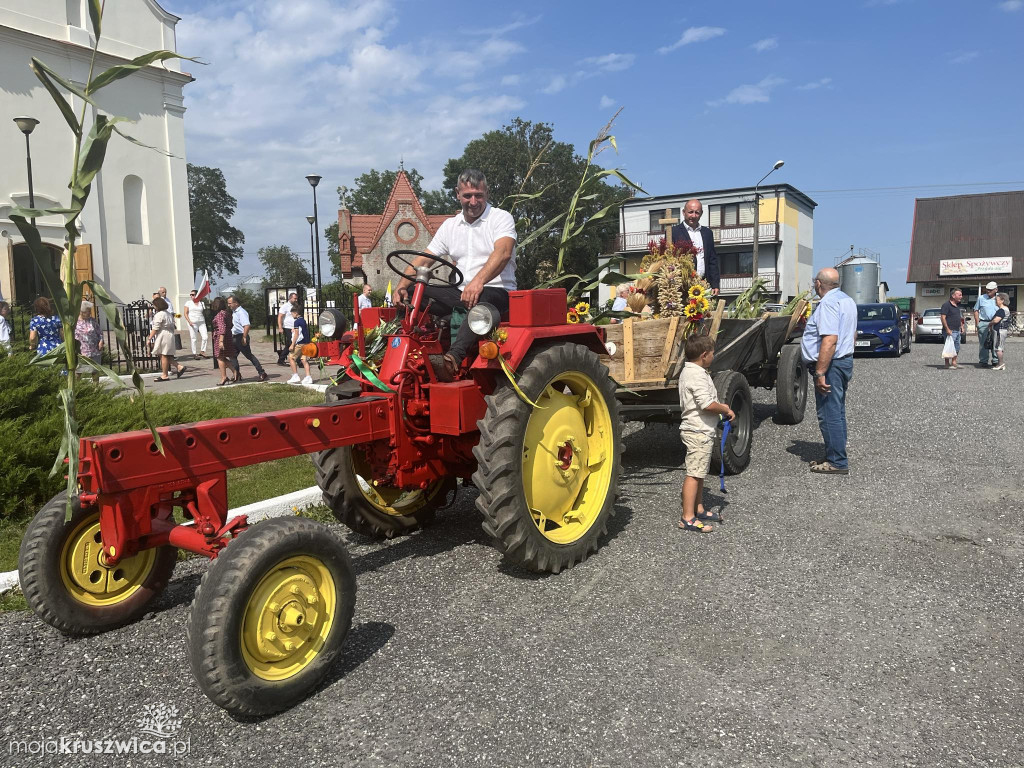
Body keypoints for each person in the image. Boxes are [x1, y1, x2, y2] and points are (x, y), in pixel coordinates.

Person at [392, 169, 517, 379]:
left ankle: (452, 359)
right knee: (413, 293)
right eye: (468, 195)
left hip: (496, 292)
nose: (474, 201)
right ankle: (398, 352)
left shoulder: (500, 218)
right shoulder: (450, 226)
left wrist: (478, 282)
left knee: (482, 298)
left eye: (479, 195)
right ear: (458, 194)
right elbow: (424, 258)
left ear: (486, 193)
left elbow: (503, 252)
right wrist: (401, 286)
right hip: (461, 293)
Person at [677, 334, 735, 533]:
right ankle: (688, 518)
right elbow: (706, 404)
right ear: (704, 355)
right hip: (697, 431)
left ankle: (698, 508)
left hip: (700, 430)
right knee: (694, 474)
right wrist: (725, 409)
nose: (713, 356)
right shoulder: (697, 375)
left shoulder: (692, 371)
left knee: (700, 472)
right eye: (712, 353)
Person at [801, 267, 857, 475]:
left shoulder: (828, 304)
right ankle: (835, 453)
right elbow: (852, 334)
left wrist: (820, 372)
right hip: (843, 361)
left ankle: (837, 461)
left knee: (829, 413)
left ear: (818, 284)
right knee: (837, 411)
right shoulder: (847, 300)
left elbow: (830, 339)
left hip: (832, 365)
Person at [670, 199, 721, 296]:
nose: (693, 216)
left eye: (697, 213)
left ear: (701, 213)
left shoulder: (707, 233)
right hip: (682, 286)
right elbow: (669, 259)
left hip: (704, 284)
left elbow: (712, 260)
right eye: (690, 212)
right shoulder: (674, 232)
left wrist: (715, 284)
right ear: (684, 212)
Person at [228, 295, 268, 382]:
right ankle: (237, 374)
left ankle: (261, 372)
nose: (228, 305)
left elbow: (246, 325)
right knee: (232, 356)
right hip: (234, 336)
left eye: (230, 303)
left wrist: (244, 337)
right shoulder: (234, 312)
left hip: (241, 336)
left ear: (236, 303)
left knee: (249, 355)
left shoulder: (241, 312)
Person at [146, 297, 186, 381]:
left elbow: (155, 328)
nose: (154, 307)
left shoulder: (159, 314)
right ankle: (179, 367)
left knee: (164, 355)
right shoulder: (168, 313)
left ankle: (164, 375)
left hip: (163, 335)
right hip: (169, 334)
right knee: (164, 354)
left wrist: (149, 338)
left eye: (154, 305)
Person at [211, 296, 237, 385]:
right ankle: (235, 372)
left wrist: (221, 341)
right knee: (223, 357)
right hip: (228, 336)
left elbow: (222, 328)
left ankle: (224, 377)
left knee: (219, 357)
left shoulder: (220, 315)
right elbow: (230, 325)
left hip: (221, 337)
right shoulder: (227, 313)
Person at [74, 301, 104, 380]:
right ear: (81, 312)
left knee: (95, 371)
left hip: (94, 351)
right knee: (78, 372)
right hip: (81, 352)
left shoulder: (92, 320)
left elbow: (100, 333)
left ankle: (96, 390)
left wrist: (101, 341)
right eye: (88, 312)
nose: (90, 313)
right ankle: (77, 389)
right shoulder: (75, 323)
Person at [973, 281, 999, 368]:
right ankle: (983, 360)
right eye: (987, 290)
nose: (988, 291)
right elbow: (976, 310)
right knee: (983, 342)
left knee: (996, 342)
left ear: (996, 289)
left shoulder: (999, 298)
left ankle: (996, 360)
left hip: (996, 322)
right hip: (984, 322)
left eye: (990, 290)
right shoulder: (981, 298)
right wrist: (977, 323)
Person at [287, 305, 313, 385]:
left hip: (299, 343)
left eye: (292, 314)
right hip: (306, 343)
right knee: (303, 359)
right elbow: (301, 330)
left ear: (295, 313)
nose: (292, 315)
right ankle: (308, 377)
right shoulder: (303, 320)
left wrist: (292, 344)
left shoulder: (296, 321)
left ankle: (295, 375)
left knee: (291, 358)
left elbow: (297, 334)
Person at [940, 288, 965, 369]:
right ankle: (947, 364)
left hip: (957, 329)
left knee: (957, 347)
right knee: (949, 347)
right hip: (950, 330)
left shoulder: (957, 306)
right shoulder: (946, 305)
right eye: (959, 295)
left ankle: (954, 362)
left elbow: (959, 318)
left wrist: (961, 326)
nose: (961, 296)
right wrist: (947, 329)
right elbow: (943, 318)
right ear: (953, 296)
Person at [183, 289, 209, 359]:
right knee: (194, 338)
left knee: (205, 337)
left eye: (193, 294)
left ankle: (202, 351)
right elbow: (185, 313)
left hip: (201, 321)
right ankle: (194, 353)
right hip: (192, 322)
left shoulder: (201, 303)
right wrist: (189, 321)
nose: (192, 296)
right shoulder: (188, 303)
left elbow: (204, 312)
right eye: (191, 295)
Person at [989, 292, 1010, 371]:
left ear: (1002, 300)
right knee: (999, 347)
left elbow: (996, 320)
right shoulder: (1006, 309)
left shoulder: (1002, 310)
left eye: (997, 300)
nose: (995, 301)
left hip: (1000, 331)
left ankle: (1001, 363)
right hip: (1002, 330)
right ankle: (999, 363)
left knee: (998, 347)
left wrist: (990, 324)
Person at [277, 291, 298, 366]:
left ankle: (281, 359)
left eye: (296, 298)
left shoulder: (295, 306)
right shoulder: (285, 306)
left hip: (295, 327)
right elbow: (280, 316)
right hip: (288, 327)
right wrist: (280, 327)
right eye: (295, 298)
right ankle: (299, 361)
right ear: (290, 298)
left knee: (290, 344)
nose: (296, 300)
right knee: (292, 343)